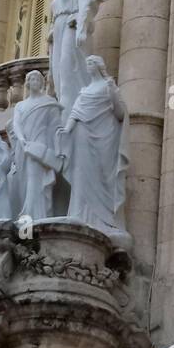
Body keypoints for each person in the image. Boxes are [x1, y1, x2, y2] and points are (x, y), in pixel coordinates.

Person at [58, 55, 129, 240]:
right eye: (86, 62)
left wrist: (114, 93)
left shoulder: (108, 86)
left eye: (91, 63)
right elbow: (76, 112)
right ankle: (80, 214)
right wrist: (66, 130)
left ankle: (105, 220)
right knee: (81, 173)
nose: (87, 65)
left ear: (98, 65)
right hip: (82, 134)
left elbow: (120, 114)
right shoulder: (85, 90)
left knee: (103, 175)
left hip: (105, 137)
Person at [47, 0, 112, 117]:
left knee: (67, 67)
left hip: (71, 27)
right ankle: (65, 109)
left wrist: (81, 29)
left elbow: (85, 6)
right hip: (59, 31)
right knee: (58, 73)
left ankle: (72, 112)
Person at [8, 71, 64, 222]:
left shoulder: (49, 102)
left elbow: (57, 126)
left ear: (41, 82)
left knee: (36, 182)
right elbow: (16, 124)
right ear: (27, 82)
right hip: (24, 147)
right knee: (24, 184)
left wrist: (58, 149)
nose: (34, 81)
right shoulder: (21, 105)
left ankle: (33, 218)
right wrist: (21, 139)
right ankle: (29, 219)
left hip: (40, 147)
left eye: (37, 79)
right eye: (31, 79)